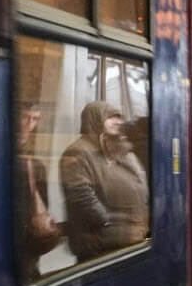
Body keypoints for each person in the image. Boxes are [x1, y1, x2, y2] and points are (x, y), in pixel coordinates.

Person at [61, 101, 149, 262]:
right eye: (110, 117)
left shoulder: (120, 149)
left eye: (119, 117)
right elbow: (81, 195)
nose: (117, 122)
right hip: (100, 246)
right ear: (93, 119)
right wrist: (106, 223)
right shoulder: (79, 152)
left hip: (128, 242)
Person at [15, 102, 60, 282]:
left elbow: (42, 204)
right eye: (25, 117)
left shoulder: (35, 163)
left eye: (35, 119)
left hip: (29, 247)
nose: (29, 125)